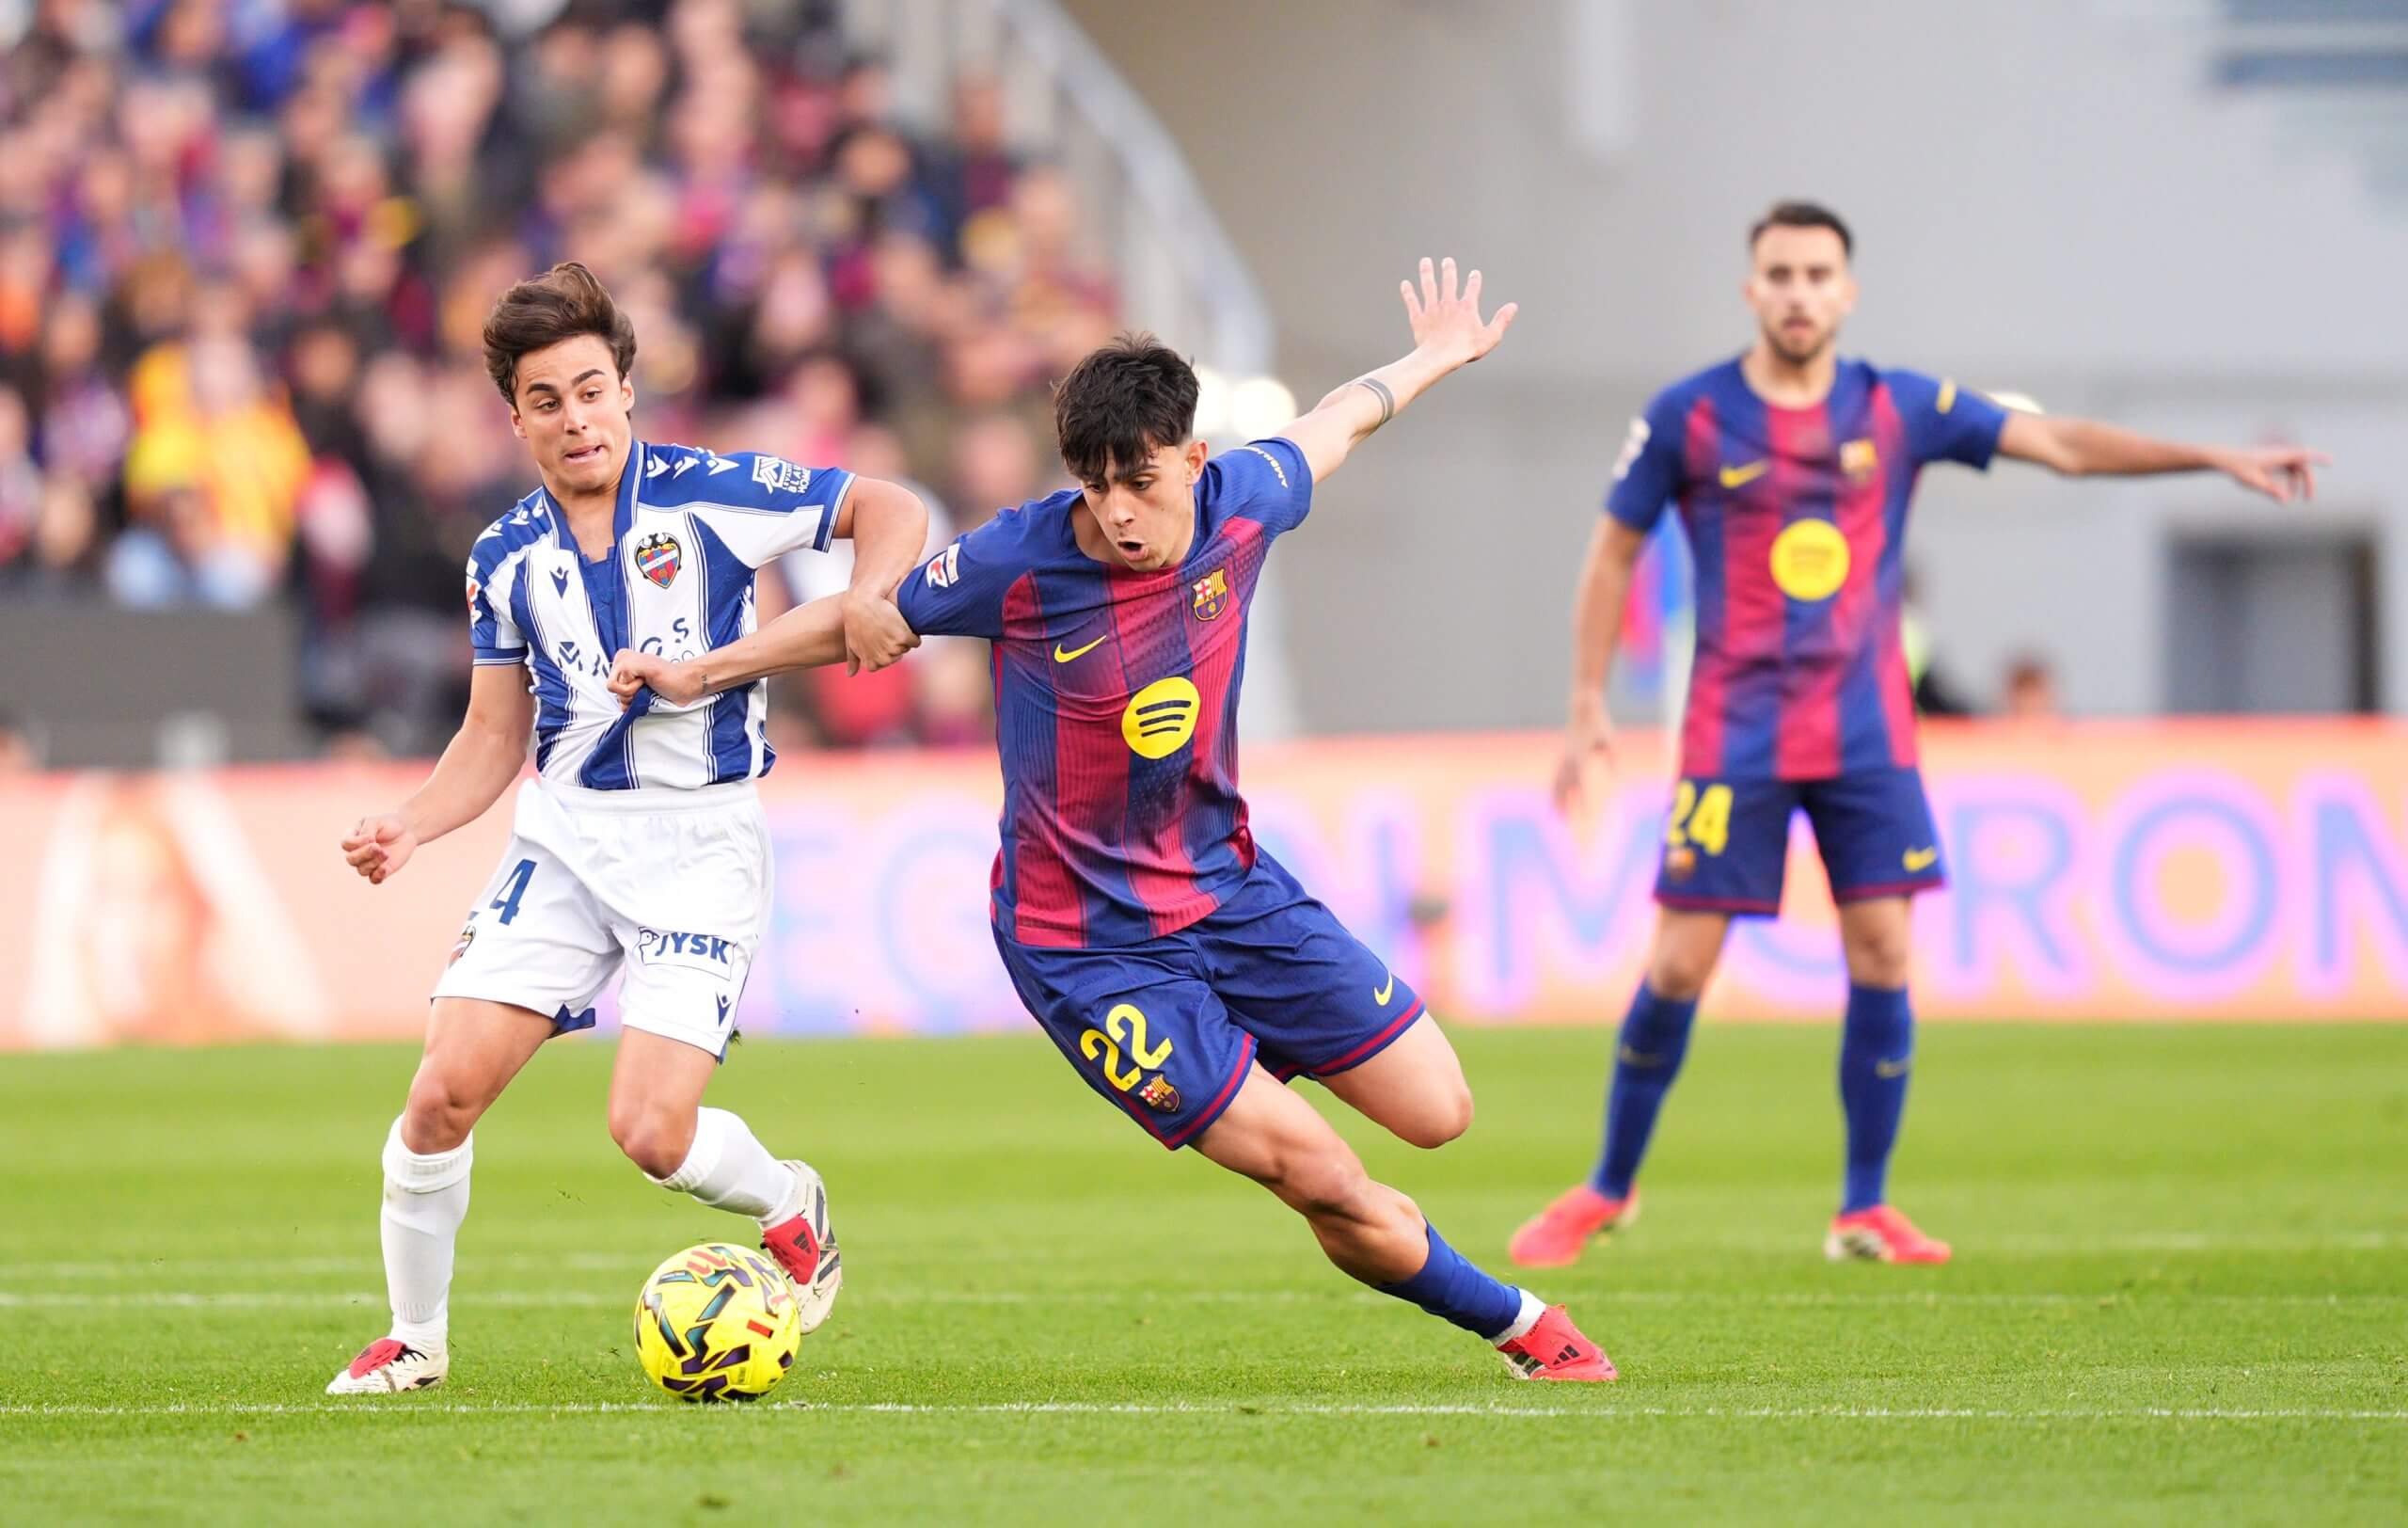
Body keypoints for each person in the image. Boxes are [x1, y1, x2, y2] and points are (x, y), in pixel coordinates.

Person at [613, 259, 1619, 1381]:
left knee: (1439, 1110)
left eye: (1138, 481)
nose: (1117, 512)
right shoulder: (1018, 561)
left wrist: (1433, 356)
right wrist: (706, 669)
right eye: (1094, 486)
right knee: (1322, 1175)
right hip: (1087, 948)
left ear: (1195, 458)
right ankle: (1523, 1326)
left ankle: (1238, 1065)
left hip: (1230, 888)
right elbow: (858, 615)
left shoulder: (1249, 501)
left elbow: (1342, 420)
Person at [1512, 201, 2323, 1269]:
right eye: (1780, 274)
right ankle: (1607, 1188)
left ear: (1846, 291)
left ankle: (1863, 1207)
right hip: (1734, 733)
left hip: (1863, 732)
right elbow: (1613, 550)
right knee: (1675, 964)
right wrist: (1585, 700)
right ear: (1751, 289)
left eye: (1816, 274)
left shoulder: (1900, 406)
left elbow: (2061, 445)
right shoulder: (1689, 417)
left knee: (1884, 948)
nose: (1798, 292)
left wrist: (2209, 457)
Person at [325, 263, 928, 1394]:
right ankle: (416, 1339)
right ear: (516, 418)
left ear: (628, 393)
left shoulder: (710, 492)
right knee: (439, 1092)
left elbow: (888, 508)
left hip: (699, 847)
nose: (575, 418)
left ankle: (791, 1198)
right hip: (564, 845)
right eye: (546, 400)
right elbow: (494, 738)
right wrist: (410, 824)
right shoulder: (502, 557)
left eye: (591, 389)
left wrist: (869, 592)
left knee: (650, 1132)